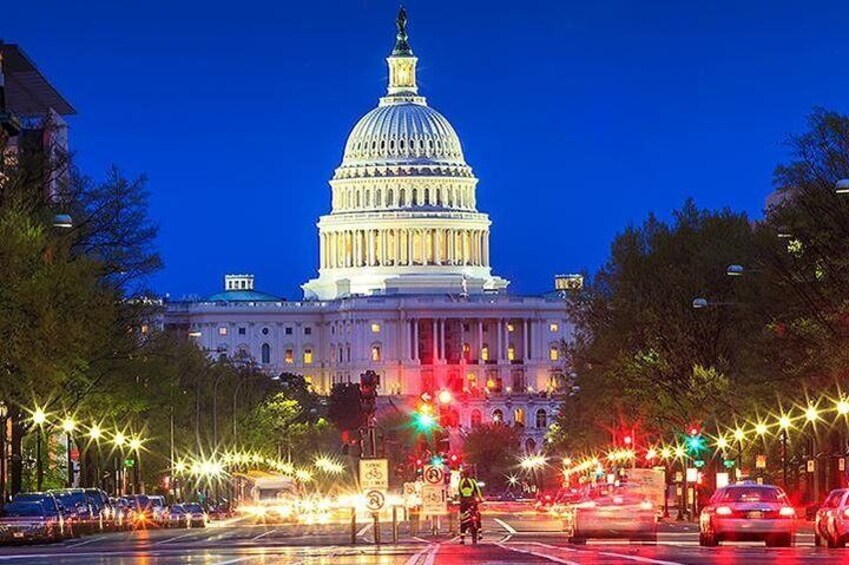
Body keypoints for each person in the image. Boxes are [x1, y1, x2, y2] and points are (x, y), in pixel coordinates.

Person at [458, 467, 483, 544]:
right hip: (472, 501)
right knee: (477, 515)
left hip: (463, 502)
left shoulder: (461, 482)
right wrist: (481, 498)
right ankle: (480, 532)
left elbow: (459, 492)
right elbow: (477, 491)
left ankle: (462, 538)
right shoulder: (473, 481)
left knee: (462, 519)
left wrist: (460, 500)